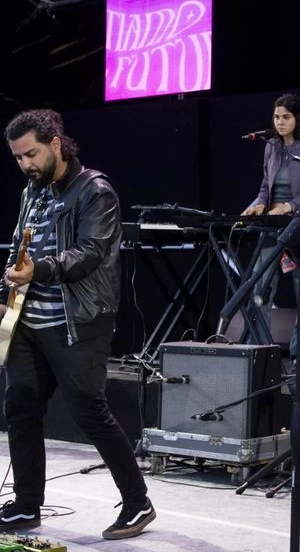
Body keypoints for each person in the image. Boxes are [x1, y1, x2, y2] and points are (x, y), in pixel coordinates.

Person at [0, 109, 155, 539]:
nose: (25, 164)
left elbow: (88, 252)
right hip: (29, 320)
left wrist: (39, 271)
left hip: (78, 320)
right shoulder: (31, 192)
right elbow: (18, 249)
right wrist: (5, 296)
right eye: (16, 158)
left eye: (30, 154)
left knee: (90, 412)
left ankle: (138, 503)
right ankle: (26, 506)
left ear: (54, 144)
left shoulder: (95, 191)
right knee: (21, 410)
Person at [242, 93, 300, 369]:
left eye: (285, 117)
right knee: (260, 290)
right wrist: (258, 205)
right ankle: (257, 351)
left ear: (297, 119)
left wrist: (291, 206)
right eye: (276, 117)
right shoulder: (271, 147)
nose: (279, 122)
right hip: (272, 229)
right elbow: (265, 187)